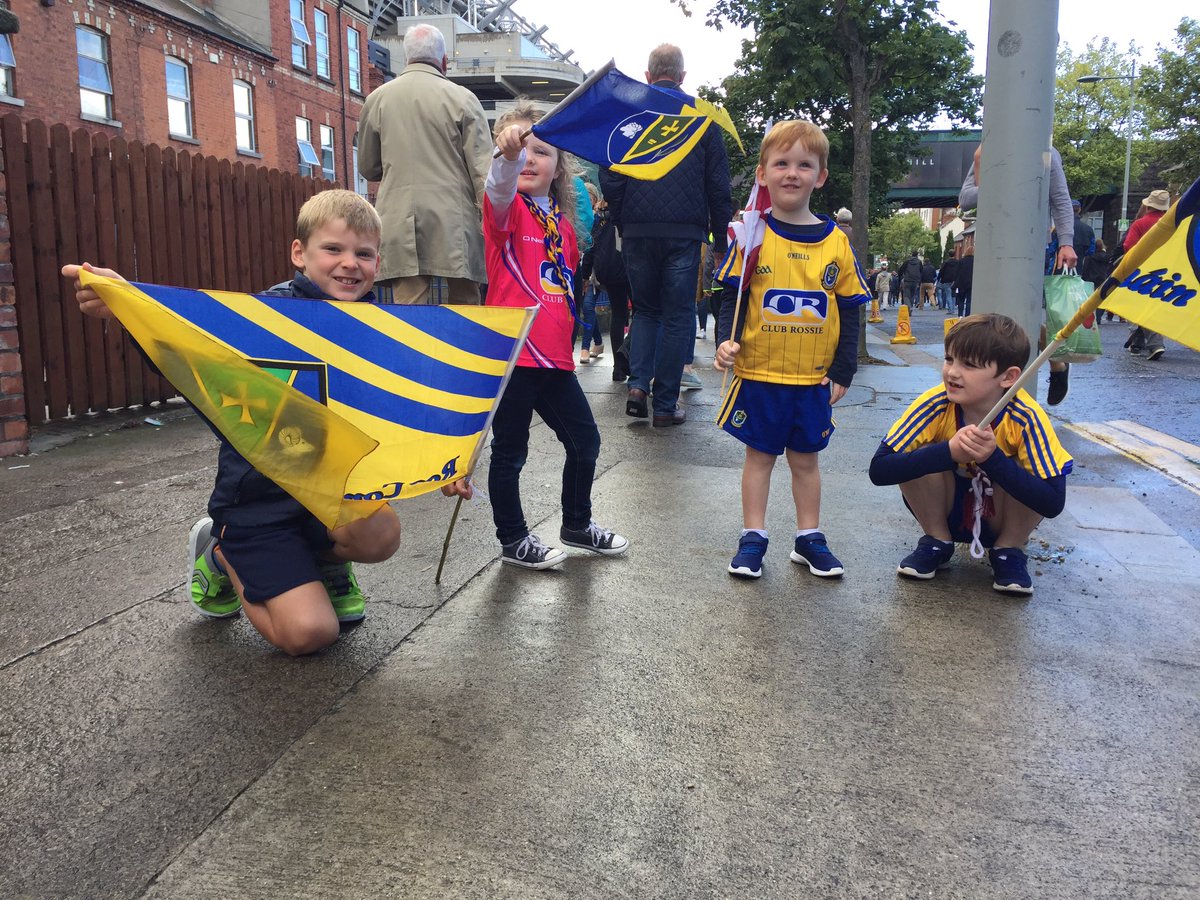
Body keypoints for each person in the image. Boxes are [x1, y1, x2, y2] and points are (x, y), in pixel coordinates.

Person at [62, 191, 403, 655]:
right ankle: (222, 553)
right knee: (310, 635)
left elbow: (404, 410)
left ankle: (322, 563)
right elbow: (189, 337)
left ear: (378, 262)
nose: (350, 263)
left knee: (381, 534)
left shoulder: (383, 328)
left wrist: (448, 463)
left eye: (363, 254)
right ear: (299, 253)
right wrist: (129, 304)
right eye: (333, 249)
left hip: (329, 497)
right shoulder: (263, 315)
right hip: (259, 506)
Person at [712, 120, 871, 580]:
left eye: (804, 165)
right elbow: (732, 296)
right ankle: (753, 537)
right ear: (763, 174)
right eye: (781, 163)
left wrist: (844, 368)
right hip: (760, 373)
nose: (792, 173)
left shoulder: (836, 242)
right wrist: (724, 341)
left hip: (812, 378)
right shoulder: (751, 235)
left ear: (820, 177)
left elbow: (851, 307)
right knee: (759, 457)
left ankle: (809, 538)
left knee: (806, 461)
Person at [480, 101, 629, 569]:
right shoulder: (505, 210)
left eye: (541, 151)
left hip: (554, 359)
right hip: (513, 355)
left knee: (585, 442)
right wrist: (505, 157)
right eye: (520, 149)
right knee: (510, 453)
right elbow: (498, 186)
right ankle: (513, 540)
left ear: (560, 166)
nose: (529, 158)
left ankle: (577, 524)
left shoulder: (563, 226)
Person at [869, 314, 1072, 595]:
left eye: (969, 365)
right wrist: (948, 452)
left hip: (1000, 519)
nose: (952, 372)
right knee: (920, 452)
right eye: (949, 359)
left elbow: (1053, 502)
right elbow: (879, 469)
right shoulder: (935, 403)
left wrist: (993, 459)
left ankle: (1008, 550)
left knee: (1032, 468)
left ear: (1008, 377)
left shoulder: (1026, 417)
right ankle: (937, 541)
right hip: (944, 511)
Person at [601, 43, 732, 428]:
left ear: (647, 76)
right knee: (678, 316)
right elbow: (718, 186)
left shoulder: (632, 115)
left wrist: (624, 219)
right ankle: (666, 403)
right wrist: (720, 240)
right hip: (684, 232)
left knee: (645, 310)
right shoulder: (703, 120)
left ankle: (638, 387)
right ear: (682, 77)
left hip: (638, 231)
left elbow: (610, 173)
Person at [357, 24, 491, 305]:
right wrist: (491, 220)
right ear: (444, 61)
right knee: (465, 303)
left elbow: (369, 168)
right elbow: (483, 172)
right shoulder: (464, 99)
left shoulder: (376, 99)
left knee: (409, 306)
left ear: (406, 57)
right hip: (455, 218)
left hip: (399, 215)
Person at [959, 143, 1076, 405]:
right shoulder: (987, 149)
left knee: (1022, 315)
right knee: (991, 315)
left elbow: (1060, 199)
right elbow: (966, 199)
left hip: (1032, 245)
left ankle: (1043, 369)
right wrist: (993, 179)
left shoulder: (1046, 150)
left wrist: (1066, 242)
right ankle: (1000, 383)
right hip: (992, 245)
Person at [1123, 189, 1171, 360]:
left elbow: (1128, 246)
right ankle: (1145, 342)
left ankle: (1146, 342)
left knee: (1137, 305)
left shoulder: (1140, 224)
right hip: (1167, 271)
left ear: (1148, 206)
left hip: (1141, 271)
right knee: (1155, 305)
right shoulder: (1173, 225)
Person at [953, 247, 974, 317]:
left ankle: (960, 315)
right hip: (971, 283)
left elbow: (956, 273)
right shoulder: (975, 261)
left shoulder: (961, 261)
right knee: (969, 301)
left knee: (961, 300)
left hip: (961, 283)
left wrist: (955, 282)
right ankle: (967, 316)